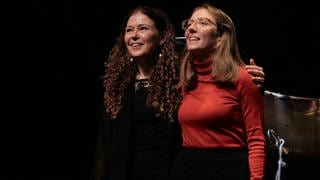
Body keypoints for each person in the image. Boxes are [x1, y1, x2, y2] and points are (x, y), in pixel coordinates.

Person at [90, 5, 265, 180]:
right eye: (129, 30)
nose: (191, 28)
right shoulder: (122, 83)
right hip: (177, 169)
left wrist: (253, 78)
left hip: (214, 168)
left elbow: (255, 138)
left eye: (143, 28)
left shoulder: (178, 77)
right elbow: (105, 144)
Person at [168, 3, 266, 180]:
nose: (191, 28)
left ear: (220, 36)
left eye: (202, 22)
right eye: (189, 23)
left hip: (227, 169)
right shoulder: (186, 80)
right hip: (188, 168)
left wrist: (257, 178)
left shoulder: (242, 77)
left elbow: (256, 139)